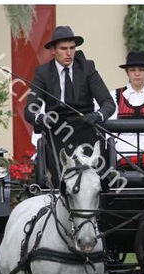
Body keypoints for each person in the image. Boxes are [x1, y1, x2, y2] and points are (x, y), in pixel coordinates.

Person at [24, 26, 115, 186]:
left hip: (87, 127)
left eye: (72, 48)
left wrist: (98, 115)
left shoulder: (87, 68)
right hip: (58, 131)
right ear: (53, 50)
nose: (69, 53)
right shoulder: (43, 72)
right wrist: (41, 118)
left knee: (95, 171)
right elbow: (30, 109)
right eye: (63, 48)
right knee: (62, 176)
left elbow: (108, 103)